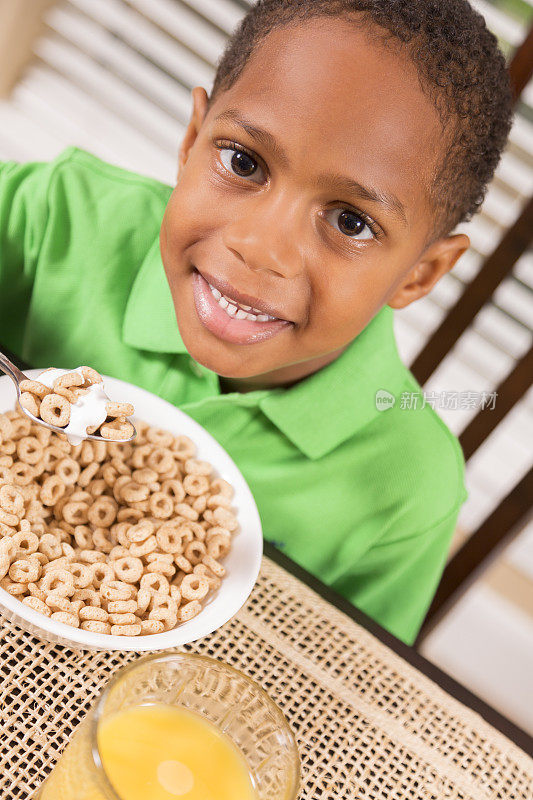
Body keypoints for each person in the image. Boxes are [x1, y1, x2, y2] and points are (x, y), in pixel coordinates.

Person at [0, 0, 513, 644]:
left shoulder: (405, 490)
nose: (260, 248)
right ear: (191, 143)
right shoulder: (60, 218)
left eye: (350, 222)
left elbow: (342, 691)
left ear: (420, 274)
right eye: (243, 162)